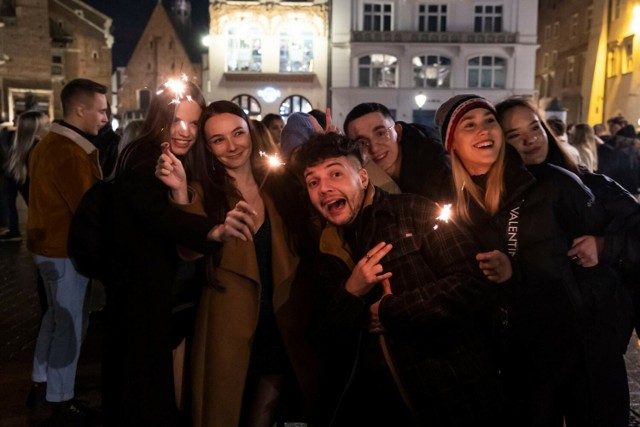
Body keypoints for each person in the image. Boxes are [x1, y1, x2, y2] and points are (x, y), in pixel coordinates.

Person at [292, 131, 506, 426]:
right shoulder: (323, 250)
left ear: (363, 178)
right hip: (378, 407)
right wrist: (351, 292)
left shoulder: (413, 212)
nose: (324, 188)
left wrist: (391, 311)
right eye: (313, 182)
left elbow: (471, 284)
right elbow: (322, 339)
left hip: (450, 394)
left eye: (336, 174)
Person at [156, 100, 319, 427]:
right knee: (225, 409)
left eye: (238, 133)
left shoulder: (279, 185)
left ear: (250, 132)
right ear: (208, 147)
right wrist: (178, 192)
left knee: (268, 408)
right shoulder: (203, 191)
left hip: (281, 318)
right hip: (229, 321)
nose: (231, 146)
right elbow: (188, 251)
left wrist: (327, 151)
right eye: (218, 140)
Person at [105, 80, 217, 426]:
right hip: (145, 295)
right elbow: (159, 219)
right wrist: (214, 232)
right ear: (159, 119)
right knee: (146, 392)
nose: (186, 132)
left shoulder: (179, 158)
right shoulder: (145, 159)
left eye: (194, 123)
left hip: (169, 295)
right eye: (177, 121)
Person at [26, 78, 108, 423]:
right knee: (71, 323)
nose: (106, 117)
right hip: (64, 250)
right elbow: (89, 210)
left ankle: (41, 382)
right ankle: (62, 398)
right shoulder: (71, 152)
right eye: (102, 110)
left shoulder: (48, 143)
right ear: (81, 109)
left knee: (55, 318)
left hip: (46, 246)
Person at [343, 102, 451, 201]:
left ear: (398, 132)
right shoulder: (360, 173)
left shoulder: (437, 166)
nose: (374, 148)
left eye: (381, 134)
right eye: (362, 143)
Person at [1, 110, 50, 242]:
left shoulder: (22, 151)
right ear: (35, 131)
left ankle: (13, 230)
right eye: (47, 124)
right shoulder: (40, 151)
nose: (50, 128)